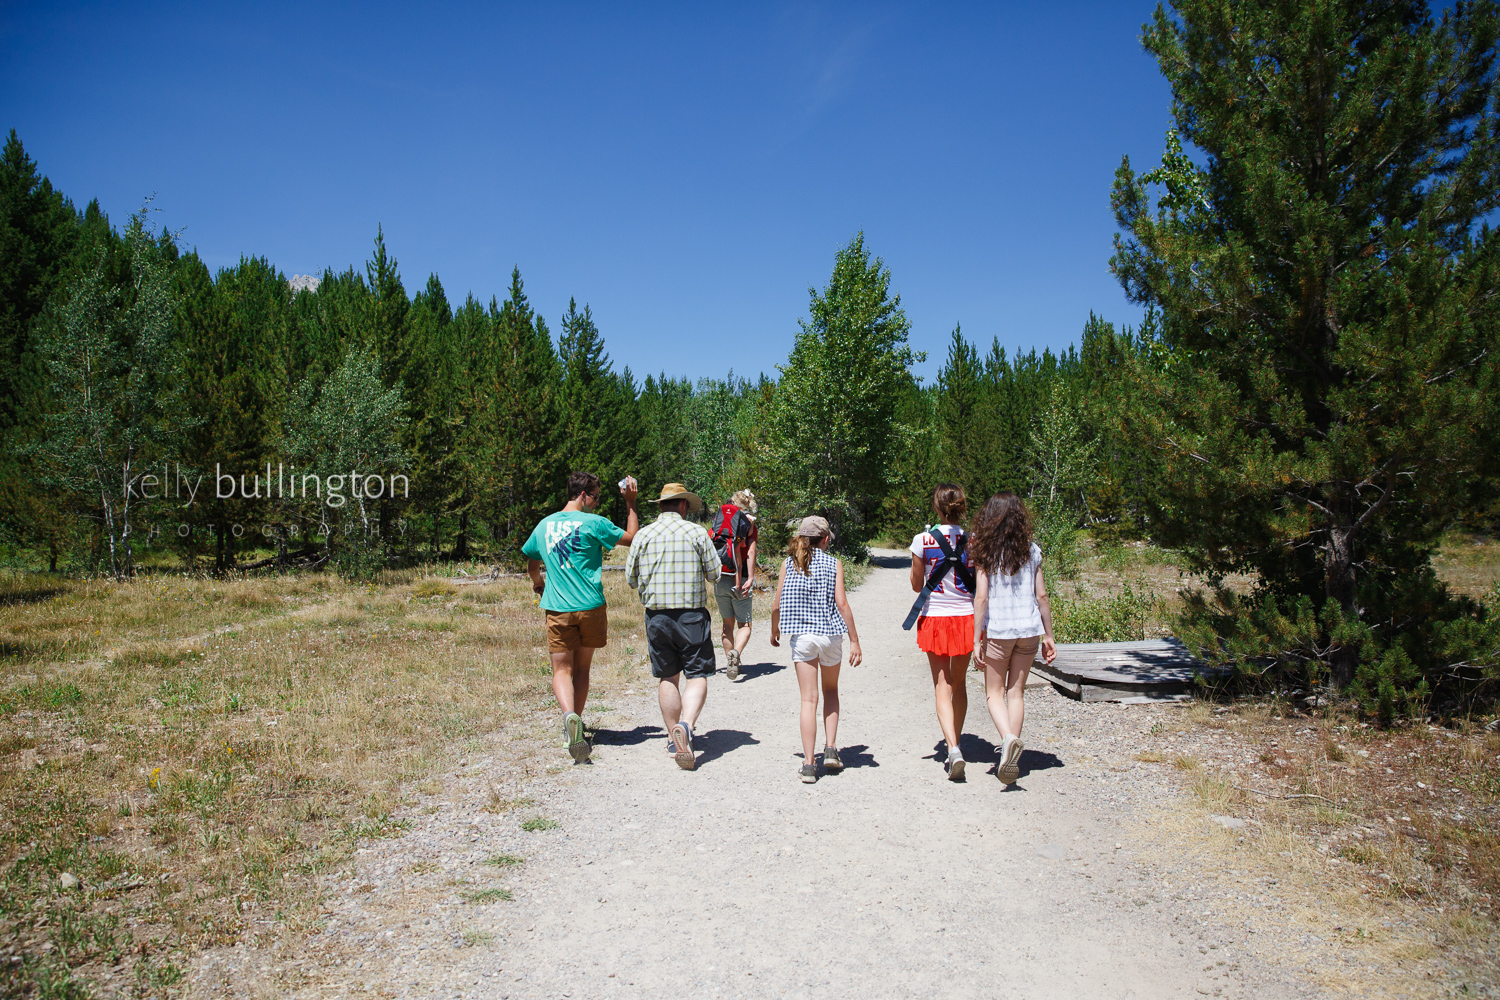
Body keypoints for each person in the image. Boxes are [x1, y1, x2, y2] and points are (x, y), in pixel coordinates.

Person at [522, 471, 640, 764]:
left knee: (561, 670)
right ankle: (578, 722)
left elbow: (531, 560)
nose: (597, 503)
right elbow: (633, 539)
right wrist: (631, 503)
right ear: (584, 495)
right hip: (590, 605)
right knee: (582, 669)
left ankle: (569, 718)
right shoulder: (595, 524)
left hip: (557, 607)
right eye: (596, 497)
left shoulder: (544, 525)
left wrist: (538, 581)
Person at [623, 482, 721, 771]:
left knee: (668, 677)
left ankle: (671, 737)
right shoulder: (696, 533)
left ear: (662, 505)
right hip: (691, 615)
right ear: (681, 505)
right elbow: (715, 573)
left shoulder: (643, 535)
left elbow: (630, 578)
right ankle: (687, 727)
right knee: (698, 673)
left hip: (657, 616)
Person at [969, 491, 1057, 785]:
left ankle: (1008, 741)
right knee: (1016, 692)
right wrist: (1049, 635)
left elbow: (981, 598)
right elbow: (1041, 595)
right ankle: (1012, 749)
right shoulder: (1032, 550)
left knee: (994, 693)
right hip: (1029, 629)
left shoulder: (985, 551)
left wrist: (975, 640)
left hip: (999, 631)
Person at [770, 515, 863, 783]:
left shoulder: (789, 563)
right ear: (824, 539)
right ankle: (831, 750)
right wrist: (854, 639)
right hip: (829, 635)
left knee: (808, 701)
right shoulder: (834, 563)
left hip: (803, 638)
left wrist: (774, 629)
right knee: (831, 691)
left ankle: (809, 765)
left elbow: (775, 605)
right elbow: (842, 604)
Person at [909, 484, 977, 781]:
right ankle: (957, 742)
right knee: (959, 683)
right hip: (966, 617)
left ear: (936, 507)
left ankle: (951, 748)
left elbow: (915, 585)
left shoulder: (923, 540)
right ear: (962, 507)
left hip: (935, 616)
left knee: (941, 684)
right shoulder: (973, 540)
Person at [714, 489, 759, 680]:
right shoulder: (749, 524)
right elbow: (749, 552)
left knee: (727, 626)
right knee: (745, 625)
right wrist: (750, 578)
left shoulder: (720, 521)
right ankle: (737, 653)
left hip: (721, 578)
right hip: (740, 579)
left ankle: (730, 662)